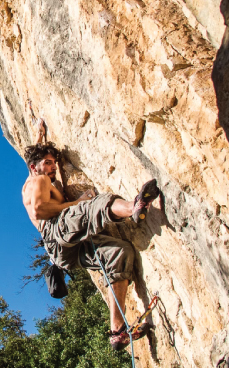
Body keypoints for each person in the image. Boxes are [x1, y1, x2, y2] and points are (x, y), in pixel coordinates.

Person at [21, 120, 160, 350]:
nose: (53, 167)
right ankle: (133, 208)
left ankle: (117, 330)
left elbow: (35, 160)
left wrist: (39, 134)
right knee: (89, 207)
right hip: (56, 233)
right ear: (35, 167)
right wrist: (76, 202)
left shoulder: (38, 176)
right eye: (48, 163)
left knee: (120, 253)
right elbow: (39, 210)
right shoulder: (39, 180)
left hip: (65, 253)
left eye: (54, 163)